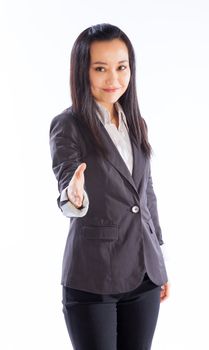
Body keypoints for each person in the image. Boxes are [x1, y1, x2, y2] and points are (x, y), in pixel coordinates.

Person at [49, 23, 170, 350]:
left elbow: (146, 193)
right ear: (82, 71)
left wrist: (158, 257)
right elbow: (67, 184)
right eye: (100, 68)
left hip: (144, 274)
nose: (113, 79)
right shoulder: (69, 124)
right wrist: (73, 196)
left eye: (121, 67)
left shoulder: (135, 121)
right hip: (94, 277)